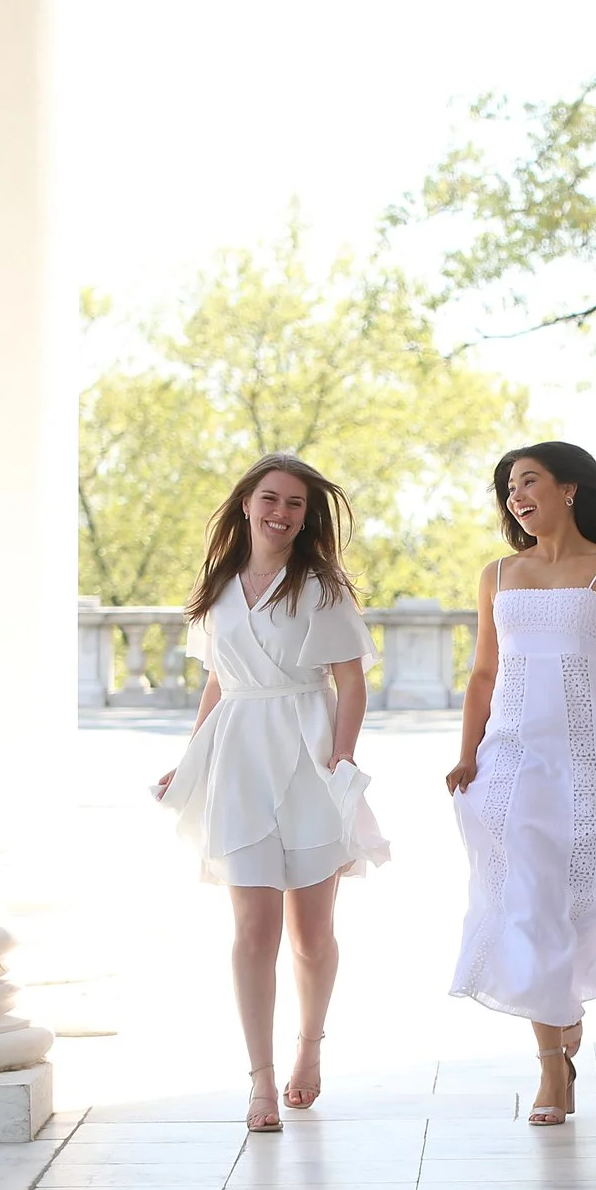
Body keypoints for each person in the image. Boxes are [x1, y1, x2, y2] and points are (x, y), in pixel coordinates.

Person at [156, 453, 387, 1133]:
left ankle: (308, 1049)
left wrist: (341, 754)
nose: (281, 513)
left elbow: (352, 680)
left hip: (306, 754)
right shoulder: (221, 583)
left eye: (295, 504)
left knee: (310, 935)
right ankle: (259, 1080)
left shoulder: (320, 585)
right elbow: (217, 680)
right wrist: (189, 759)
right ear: (246, 502)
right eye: (270, 498)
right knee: (252, 930)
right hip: (237, 762)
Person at [446, 442, 596, 1125]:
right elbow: (482, 674)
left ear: (568, 488)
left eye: (528, 481)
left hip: (588, 760)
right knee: (528, 903)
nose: (516, 496)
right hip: (512, 758)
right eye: (508, 488)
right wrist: (467, 753)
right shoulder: (499, 574)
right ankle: (549, 1067)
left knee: (577, 903)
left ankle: (562, 1011)